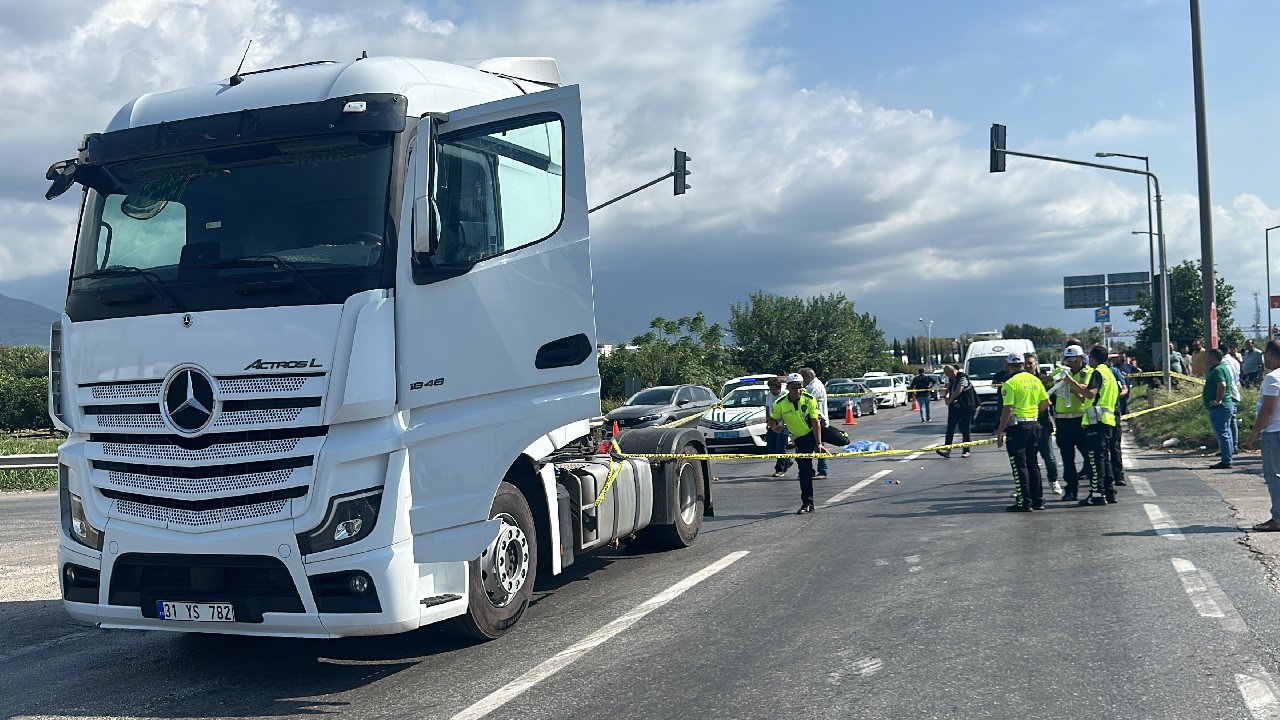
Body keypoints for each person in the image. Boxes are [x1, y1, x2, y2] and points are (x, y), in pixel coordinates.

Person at [1063, 344, 1119, 506]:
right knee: (1104, 457)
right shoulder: (1109, 373)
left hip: (1097, 421)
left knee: (1096, 460)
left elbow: (1090, 393)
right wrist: (1077, 389)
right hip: (1108, 420)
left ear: (1092, 358)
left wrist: (1070, 382)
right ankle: (1109, 491)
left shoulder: (1097, 373)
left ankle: (1097, 494)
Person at [996, 353, 1050, 511]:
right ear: (1023, 364)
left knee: (1019, 465)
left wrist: (1000, 430)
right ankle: (1037, 500)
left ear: (1008, 365)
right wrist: (1034, 415)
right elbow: (1046, 402)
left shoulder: (1010, 383)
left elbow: (1008, 409)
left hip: (1018, 427)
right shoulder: (1035, 380)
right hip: (1034, 424)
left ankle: (1024, 502)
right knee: (1033, 464)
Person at [770, 373, 828, 513]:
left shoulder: (809, 399)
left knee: (842, 440)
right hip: (801, 438)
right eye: (795, 387)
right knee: (804, 471)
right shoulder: (780, 403)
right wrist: (774, 427)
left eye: (800, 387)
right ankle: (807, 503)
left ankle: (838, 436)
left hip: (815, 430)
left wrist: (819, 444)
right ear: (788, 387)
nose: (798, 390)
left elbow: (815, 422)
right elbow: (772, 419)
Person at [1245, 340, 1280, 531]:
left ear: (1271, 355)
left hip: (1274, 432)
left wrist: (1254, 433)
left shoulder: (1273, 378)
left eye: (1266, 354)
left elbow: (1268, 409)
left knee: (1274, 476)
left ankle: (1278, 518)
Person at [1054, 344, 1091, 501]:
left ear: (1081, 359)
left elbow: (1086, 395)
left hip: (1080, 419)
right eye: (1067, 360)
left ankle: (1096, 488)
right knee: (1067, 458)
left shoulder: (1088, 373)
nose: (1070, 363)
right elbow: (1045, 383)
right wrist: (1053, 378)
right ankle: (1071, 489)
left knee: (1090, 456)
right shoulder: (1062, 371)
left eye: (1073, 360)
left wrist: (1070, 386)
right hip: (1063, 420)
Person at [1023, 353, 1059, 492]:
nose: (1027, 366)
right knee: (1028, 460)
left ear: (1036, 364)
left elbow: (1054, 400)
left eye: (1030, 363)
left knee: (1049, 457)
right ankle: (1028, 488)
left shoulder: (1044, 379)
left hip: (1042, 424)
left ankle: (1053, 480)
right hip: (1026, 424)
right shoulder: (1020, 380)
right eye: (1025, 363)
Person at [1204, 348, 1236, 469]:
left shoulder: (1218, 370)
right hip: (1226, 406)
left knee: (1222, 433)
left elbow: (1222, 384)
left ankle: (1226, 460)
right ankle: (1228, 455)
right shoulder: (1222, 368)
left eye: (1208, 356)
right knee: (1226, 432)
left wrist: (1218, 400)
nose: (1206, 359)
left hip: (1220, 408)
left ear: (1213, 357)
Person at [938, 364, 976, 458]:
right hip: (954, 407)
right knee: (950, 428)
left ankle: (966, 450)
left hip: (965, 406)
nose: (947, 376)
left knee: (964, 429)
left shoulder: (962, 377)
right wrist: (946, 396)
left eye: (947, 374)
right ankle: (947, 449)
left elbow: (959, 390)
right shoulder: (951, 378)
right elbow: (948, 388)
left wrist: (950, 399)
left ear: (952, 371)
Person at [800, 368, 829, 479]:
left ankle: (822, 470)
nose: (802, 382)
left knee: (819, 444)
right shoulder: (812, 386)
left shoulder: (815, 387)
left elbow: (808, 401)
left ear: (808, 376)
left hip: (818, 419)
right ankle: (810, 471)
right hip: (813, 419)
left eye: (803, 379)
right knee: (810, 445)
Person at [764, 377, 792, 478]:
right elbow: (768, 408)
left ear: (778, 387)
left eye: (774, 389)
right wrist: (768, 421)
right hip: (773, 423)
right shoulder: (769, 395)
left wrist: (783, 423)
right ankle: (787, 461)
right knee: (771, 446)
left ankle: (779, 469)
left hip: (783, 424)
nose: (772, 391)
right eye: (770, 389)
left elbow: (788, 410)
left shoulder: (785, 395)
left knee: (780, 447)